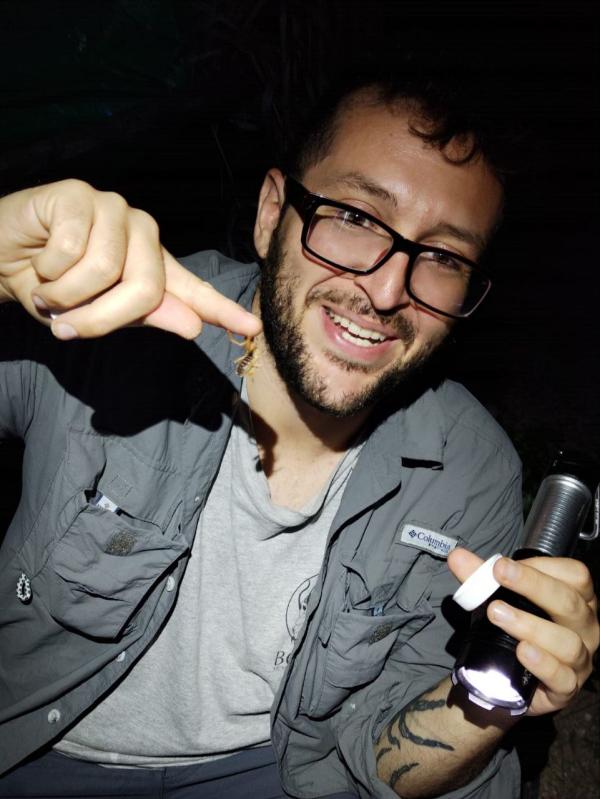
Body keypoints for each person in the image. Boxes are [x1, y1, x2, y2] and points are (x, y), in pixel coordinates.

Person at [0, 74, 597, 799]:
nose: (385, 292)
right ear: (272, 212)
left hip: (272, 772)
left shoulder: (470, 470)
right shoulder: (110, 327)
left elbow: (384, 760)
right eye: (356, 216)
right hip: (41, 752)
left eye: (442, 258)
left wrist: (498, 693)